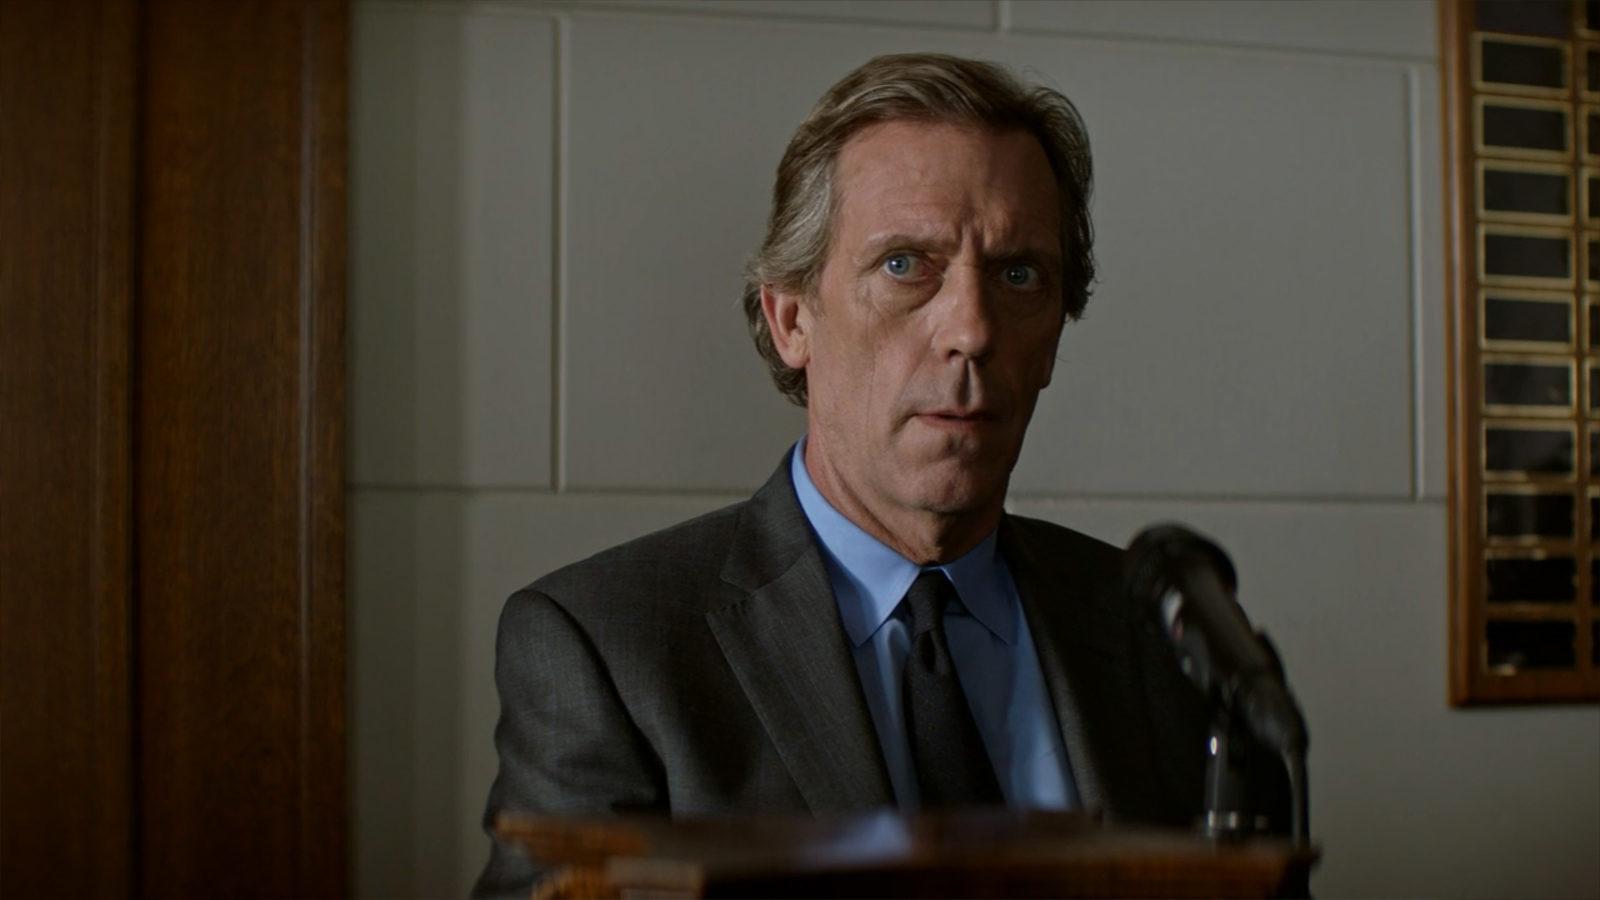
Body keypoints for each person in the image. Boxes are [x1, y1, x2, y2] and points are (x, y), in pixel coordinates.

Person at [472, 53, 1211, 898]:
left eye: (1018, 274)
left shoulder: (1167, 638)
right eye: (905, 265)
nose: (972, 329)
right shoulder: (607, 651)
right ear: (791, 319)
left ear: (1052, 340)